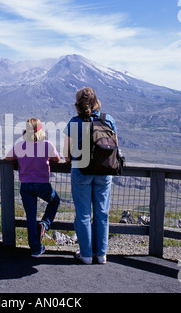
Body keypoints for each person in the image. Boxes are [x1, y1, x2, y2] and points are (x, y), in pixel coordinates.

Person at [63, 87, 117, 264]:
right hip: (104, 171)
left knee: (83, 213)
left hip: (81, 170)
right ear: (96, 102)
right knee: (102, 212)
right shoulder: (108, 120)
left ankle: (86, 254)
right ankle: (101, 254)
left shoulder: (74, 122)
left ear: (77, 104)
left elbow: (66, 154)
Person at [6, 118, 61, 257]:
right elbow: (57, 159)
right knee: (55, 201)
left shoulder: (20, 145)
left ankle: (36, 249)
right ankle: (44, 224)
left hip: (25, 185)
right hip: (42, 184)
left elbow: (8, 158)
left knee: (30, 217)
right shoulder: (46, 145)